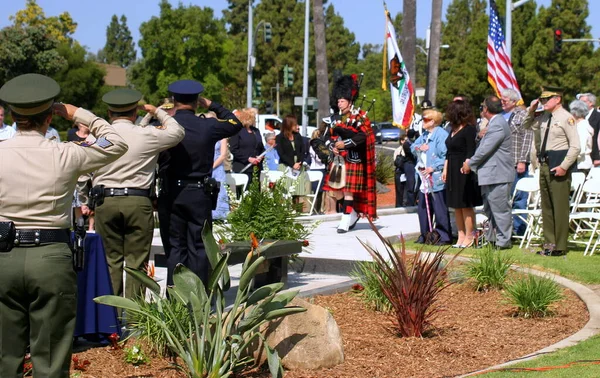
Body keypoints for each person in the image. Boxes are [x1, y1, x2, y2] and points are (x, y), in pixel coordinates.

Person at [0, 73, 128, 377]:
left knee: (6, 355)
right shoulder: (67, 153)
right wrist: (79, 114)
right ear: (50, 117)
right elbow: (117, 142)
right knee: (52, 355)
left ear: (14, 115)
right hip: (51, 256)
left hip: (4, 256)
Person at [81, 89, 184, 299]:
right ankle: (135, 319)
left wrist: (85, 200)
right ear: (135, 112)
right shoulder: (147, 134)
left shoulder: (99, 137)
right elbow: (177, 132)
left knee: (110, 261)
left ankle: (112, 322)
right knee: (137, 263)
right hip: (138, 200)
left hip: (105, 200)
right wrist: (158, 112)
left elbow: (83, 171)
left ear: (109, 113)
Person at [163, 79, 242, 286]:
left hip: (172, 192)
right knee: (199, 246)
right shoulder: (207, 125)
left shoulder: (166, 126)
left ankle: (176, 297)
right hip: (199, 192)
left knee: (175, 247)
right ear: (197, 102)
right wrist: (213, 105)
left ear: (174, 101)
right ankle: (200, 299)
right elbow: (235, 123)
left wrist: (161, 111)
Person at [523, 86, 580, 256]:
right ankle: (549, 243)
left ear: (557, 99)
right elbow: (526, 125)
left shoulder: (566, 118)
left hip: (558, 165)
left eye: (547, 99)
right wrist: (531, 110)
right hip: (545, 165)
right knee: (546, 206)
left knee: (560, 207)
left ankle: (560, 246)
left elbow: (576, 146)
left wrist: (564, 166)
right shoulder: (544, 117)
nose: (543, 102)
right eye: (542, 99)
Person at [324, 74, 377, 232]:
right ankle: (352, 213)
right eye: (338, 101)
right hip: (339, 160)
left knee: (348, 191)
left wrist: (345, 144)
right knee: (334, 191)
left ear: (350, 100)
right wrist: (333, 145)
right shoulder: (337, 118)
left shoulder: (360, 116)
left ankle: (345, 220)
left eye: (342, 101)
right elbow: (329, 136)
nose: (339, 104)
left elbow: (364, 136)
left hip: (353, 159)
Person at [464, 96, 514, 249]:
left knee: (500, 210)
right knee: (490, 209)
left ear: (486, 109)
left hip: (497, 174)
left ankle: (503, 242)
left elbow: (486, 150)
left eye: (482, 106)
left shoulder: (498, 124)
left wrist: (470, 163)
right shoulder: (494, 123)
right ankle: (493, 239)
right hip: (490, 174)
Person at [444, 100, 482, 247]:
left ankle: (470, 235)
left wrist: (467, 164)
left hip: (464, 169)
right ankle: (460, 235)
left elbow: (471, 151)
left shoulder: (469, 129)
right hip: (452, 168)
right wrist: (445, 169)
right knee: (456, 205)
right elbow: (448, 152)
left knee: (466, 204)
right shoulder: (452, 129)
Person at [411, 108, 451, 244]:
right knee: (422, 208)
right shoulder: (424, 136)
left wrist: (433, 167)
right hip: (423, 177)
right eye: (423, 119)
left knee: (439, 208)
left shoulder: (441, 135)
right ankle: (426, 234)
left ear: (433, 121)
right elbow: (413, 147)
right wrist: (418, 148)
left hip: (435, 178)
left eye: (426, 119)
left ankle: (443, 236)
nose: (423, 122)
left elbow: (445, 156)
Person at [500, 88, 533, 236]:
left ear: (514, 101)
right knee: (503, 198)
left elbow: (527, 138)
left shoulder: (522, 115)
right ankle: (505, 229)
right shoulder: (500, 116)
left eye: (505, 100)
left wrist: (522, 160)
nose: (502, 102)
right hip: (501, 162)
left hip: (516, 161)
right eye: (501, 100)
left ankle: (519, 230)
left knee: (518, 198)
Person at [275, 115, 311, 198]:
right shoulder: (279, 138)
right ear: (288, 125)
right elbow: (281, 153)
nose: (297, 126)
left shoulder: (298, 136)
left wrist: (299, 162)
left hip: (298, 166)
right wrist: (292, 164)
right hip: (286, 166)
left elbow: (302, 150)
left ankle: (297, 208)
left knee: (299, 190)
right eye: (295, 124)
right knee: (287, 190)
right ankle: (287, 209)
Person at [230, 107, 264, 184]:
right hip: (243, 167)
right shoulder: (237, 131)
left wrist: (261, 156)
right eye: (254, 117)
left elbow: (261, 147)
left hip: (256, 168)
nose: (255, 119)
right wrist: (248, 158)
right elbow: (233, 149)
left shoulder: (256, 131)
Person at [569, 100, 594, 176]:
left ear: (575, 113)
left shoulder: (582, 127)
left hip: (580, 165)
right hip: (579, 163)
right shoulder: (581, 125)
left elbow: (580, 149)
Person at [575, 93, 600, 168]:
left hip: (595, 158)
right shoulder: (576, 118)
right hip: (580, 159)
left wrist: (597, 158)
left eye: (583, 102)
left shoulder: (598, 117)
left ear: (591, 103)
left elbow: (596, 138)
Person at [393, 134, 417, 207]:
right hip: (400, 172)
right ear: (401, 141)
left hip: (408, 172)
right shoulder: (398, 150)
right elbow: (395, 161)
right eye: (404, 140)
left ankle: (409, 203)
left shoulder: (410, 149)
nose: (406, 142)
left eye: (407, 140)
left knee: (409, 189)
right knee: (399, 191)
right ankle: (399, 205)